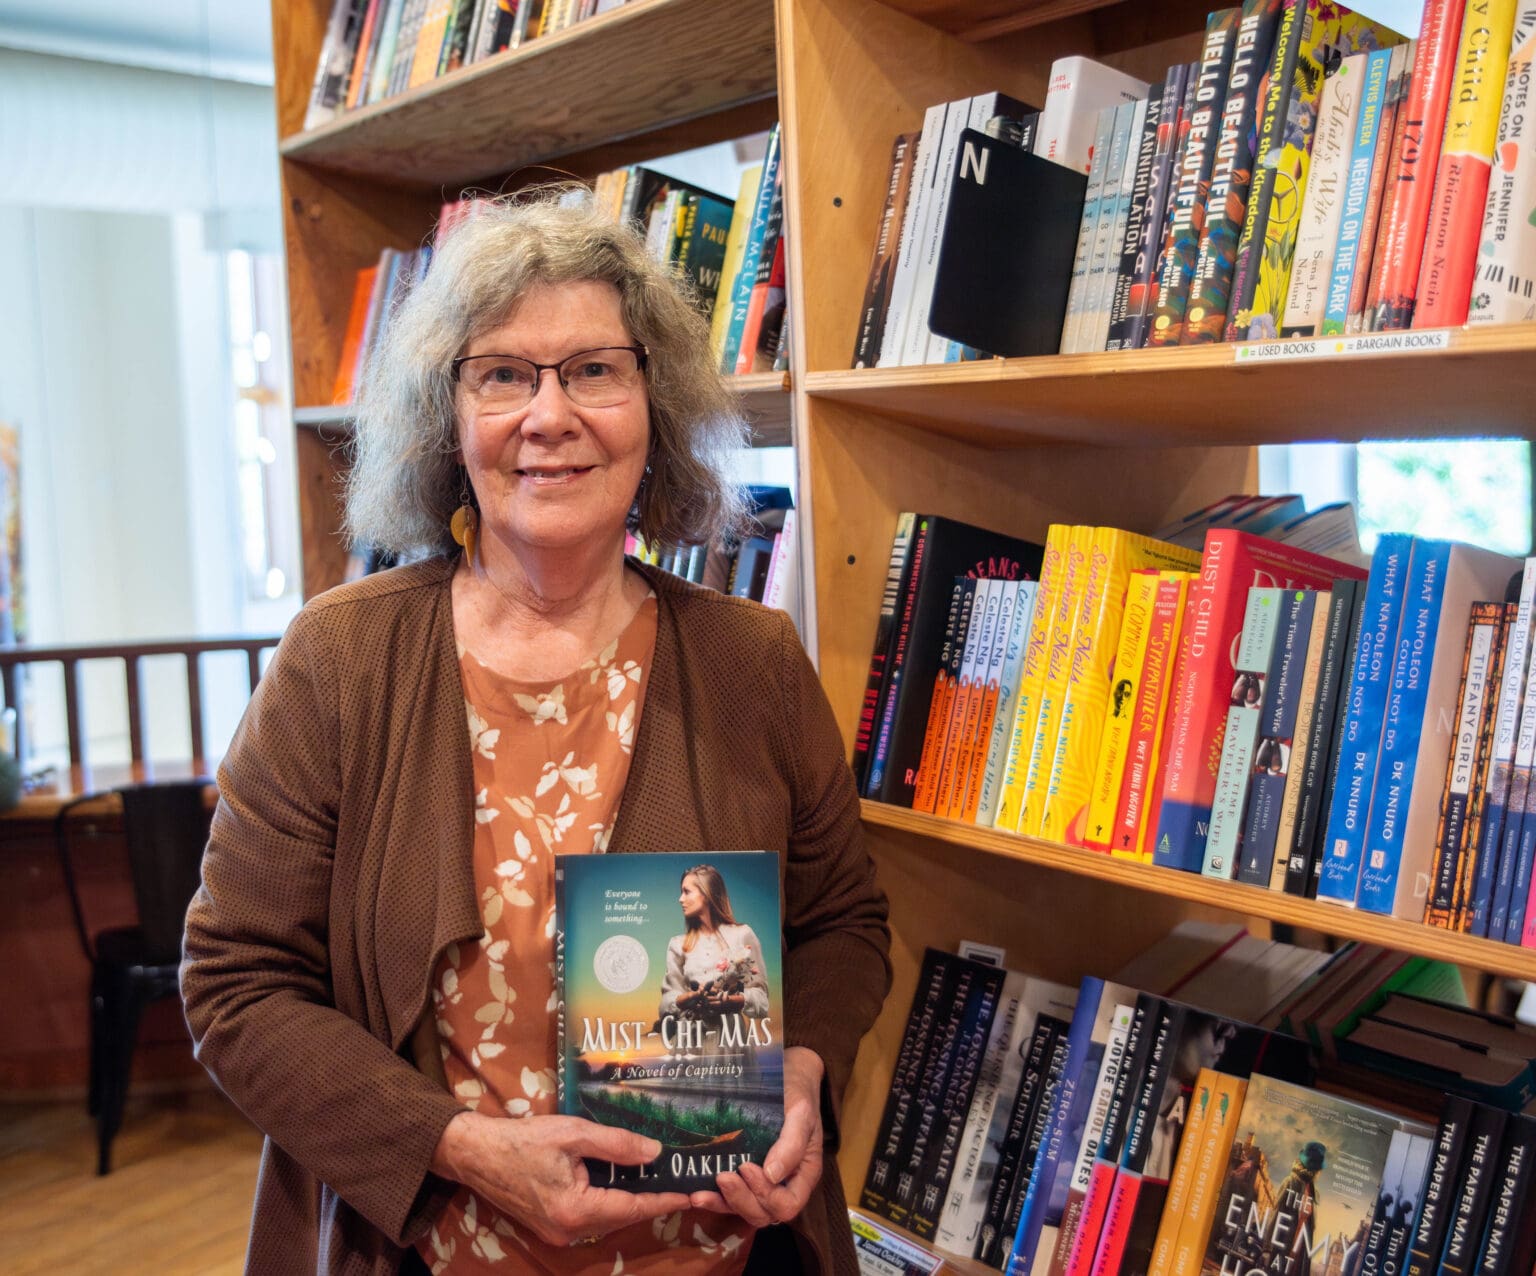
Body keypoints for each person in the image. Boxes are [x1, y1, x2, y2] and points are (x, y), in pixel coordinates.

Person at [181, 189, 892, 1276]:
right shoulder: (339, 661)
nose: (548, 416)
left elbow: (843, 921)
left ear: (655, 406)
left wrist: (804, 1064)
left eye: (594, 370)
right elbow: (234, 984)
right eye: (503, 373)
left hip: (723, 1251)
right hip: (431, 1248)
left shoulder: (754, 661)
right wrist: (464, 1147)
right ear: (448, 417)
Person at [660, 864, 771, 1027]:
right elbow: (666, 1002)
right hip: (691, 1037)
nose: (680, 899)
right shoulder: (678, 944)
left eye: (687, 891)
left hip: (729, 1036)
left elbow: (761, 998)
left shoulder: (742, 934)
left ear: (706, 894)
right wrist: (689, 998)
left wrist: (731, 1001)